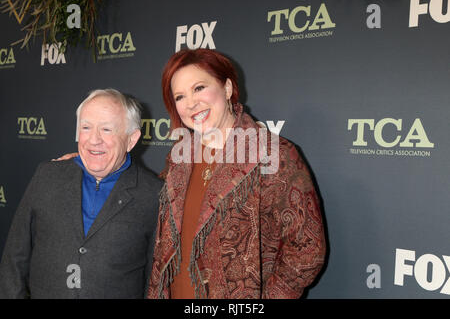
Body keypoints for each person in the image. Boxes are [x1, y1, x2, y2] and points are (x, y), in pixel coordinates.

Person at [146, 48, 326, 299]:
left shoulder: (272, 153)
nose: (190, 104)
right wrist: (91, 168)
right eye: (179, 96)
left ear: (227, 88)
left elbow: (308, 250)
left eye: (199, 88)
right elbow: (150, 205)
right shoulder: (180, 156)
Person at [0, 89, 162, 298]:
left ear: (131, 139)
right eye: (86, 128)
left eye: (106, 129)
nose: (93, 140)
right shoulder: (47, 176)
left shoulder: (153, 194)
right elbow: (14, 259)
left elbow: (154, 281)